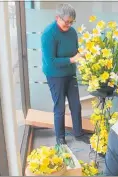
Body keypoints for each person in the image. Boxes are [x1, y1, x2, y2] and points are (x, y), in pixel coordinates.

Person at [41, 3, 89, 145]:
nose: (69, 25)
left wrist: (82, 55)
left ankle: (78, 133)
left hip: (70, 73)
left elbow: (75, 51)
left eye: (71, 22)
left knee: (76, 104)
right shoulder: (48, 34)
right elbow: (51, 61)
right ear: (57, 18)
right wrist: (72, 59)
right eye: (66, 22)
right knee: (60, 106)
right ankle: (60, 137)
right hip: (55, 74)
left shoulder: (72, 32)